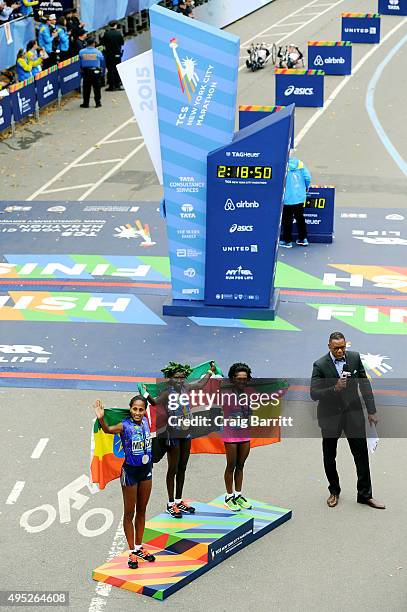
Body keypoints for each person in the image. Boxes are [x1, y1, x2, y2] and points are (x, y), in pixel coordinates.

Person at [310, 332, 385, 510]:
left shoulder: (354, 358)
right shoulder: (319, 365)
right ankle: (334, 491)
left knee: (361, 455)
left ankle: (365, 495)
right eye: (336, 348)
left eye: (343, 347)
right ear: (329, 346)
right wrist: (335, 388)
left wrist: (372, 410)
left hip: (353, 415)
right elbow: (314, 394)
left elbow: (364, 384)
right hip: (330, 417)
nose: (340, 351)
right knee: (329, 456)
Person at [143, 361, 217, 518]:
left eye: (182, 377)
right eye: (177, 378)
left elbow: (201, 384)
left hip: (186, 433)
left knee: (183, 467)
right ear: (170, 378)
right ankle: (171, 504)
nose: (180, 380)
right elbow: (155, 403)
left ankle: (179, 500)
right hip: (173, 434)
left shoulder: (186, 387)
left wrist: (210, 371)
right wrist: (144, 393)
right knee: (173, 468)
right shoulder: (167, 393)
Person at [93, 395, 156, 569]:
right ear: (130, 409)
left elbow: (155, 404)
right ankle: (132, 553)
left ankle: (139, 547)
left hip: (146, 471)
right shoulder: (124, 425)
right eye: (134, 409)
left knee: (142, 510)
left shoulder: (146, 422)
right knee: (130, 512)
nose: (137, 412)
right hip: (130, 473)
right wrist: (101, 418)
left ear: (144, 411)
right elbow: (107, 430)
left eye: (141, 409)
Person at [222, 363, 254, 512]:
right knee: (231, 466)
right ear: (233, 379)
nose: (241, 381)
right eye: (238, 378)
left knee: (241, 466)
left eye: (244, 379)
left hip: (245, 434)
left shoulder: (249, 393)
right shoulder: (225, 393)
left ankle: (238, 495)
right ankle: (229, 497)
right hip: (231, 435)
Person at [279, 150, 311, 249]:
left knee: (286, 219)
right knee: (300, 217)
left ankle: (287, 241)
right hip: (299, 196)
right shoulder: (299, 163)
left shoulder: (282, 164)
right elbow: (308, 177)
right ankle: (303, 239)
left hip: (287, 197)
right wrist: (306, 186)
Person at [78, 36, 105, 108]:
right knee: (97, 88)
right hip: (95, 71)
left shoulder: (81, 52)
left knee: (86, 88)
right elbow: (102, 61)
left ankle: (86, 103)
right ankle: (98, 103)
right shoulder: (98, 52)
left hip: (86, 72)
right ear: (93, 43)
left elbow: (80, 61)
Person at [101, 20, 124, 92]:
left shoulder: (106, 34)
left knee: (110, 70)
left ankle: (111, 86)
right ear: (115, 25)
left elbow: (103, 43)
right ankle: (118, 85)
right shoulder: (118, 33)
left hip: (109, 54)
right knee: (117, 69)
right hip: (117, 54)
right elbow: (122, 43)